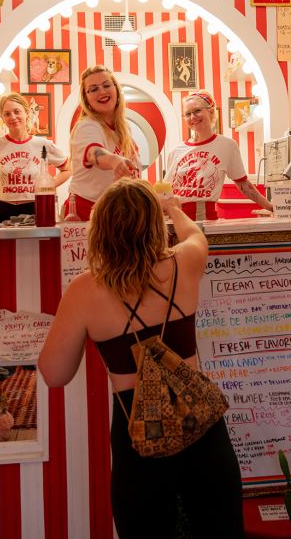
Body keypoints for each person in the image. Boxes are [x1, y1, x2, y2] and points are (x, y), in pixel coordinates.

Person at [38, 179, 244, 537]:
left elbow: (55, 374)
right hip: (202, 426)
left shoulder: (85, 290)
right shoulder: (185, 262)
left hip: (138, 438)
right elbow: (196, 235)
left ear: (99, 232)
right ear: (153, 227)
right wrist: (173, 207)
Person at [164, 90, 272, 221]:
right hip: (175, 221)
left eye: (197, 111)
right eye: (188, 114)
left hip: (205, 221)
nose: (192, 117)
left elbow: (244, 185)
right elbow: (166, 192)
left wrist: (271, 207)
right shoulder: (176, 151)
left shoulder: (227, 145)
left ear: (210, 111)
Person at [0, 93, 70, 223]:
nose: (13, 117)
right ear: (2, 118)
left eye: (17, 111)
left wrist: (48, 185)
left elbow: (68, 168)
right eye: (7, 114)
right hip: (1, 210)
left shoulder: (43, 145)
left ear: (27, 114)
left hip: (34, 209)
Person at [63, 65, 142, 220]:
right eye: (93, 89)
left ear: (117, 90)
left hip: (116, 209)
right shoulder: (88, 126)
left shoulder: (124, 129)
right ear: (86, 99)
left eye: (106, 85)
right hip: (86, 212)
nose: (102, 91)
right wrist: (114, 160)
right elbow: (94, 153)